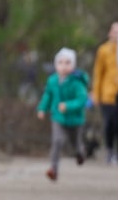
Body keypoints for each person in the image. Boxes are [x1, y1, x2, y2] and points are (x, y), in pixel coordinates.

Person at [37, 48, 88, 181]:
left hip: (75, 119)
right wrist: (42, 109)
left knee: (75, 143)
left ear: (73, 65)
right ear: (56, 65)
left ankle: (80, 153)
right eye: (60, 62)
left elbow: (82, 99)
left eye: (67, 63)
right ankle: (53, 169)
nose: (64, 66)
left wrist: (68, 106)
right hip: (58, 117)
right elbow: (47, 95)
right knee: (57, 141)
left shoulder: (77, 82)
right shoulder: (52, 81)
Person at [90, 21, 118, 164]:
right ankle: (109, 150)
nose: (117, 34)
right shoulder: (103, 50)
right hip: (107, 93)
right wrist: (95, 93)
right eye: (114, 31)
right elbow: (98, 72)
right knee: (109, 123)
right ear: (110, 33)